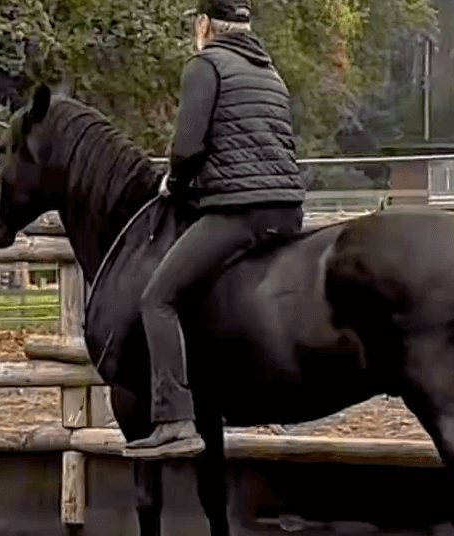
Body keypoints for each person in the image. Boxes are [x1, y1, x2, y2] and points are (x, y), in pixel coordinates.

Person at [123, 0, 306, 459]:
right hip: (287, 209)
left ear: (204, 24)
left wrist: (173, 184)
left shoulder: (205, 66)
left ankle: (174, 419)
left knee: (157, 299)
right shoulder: (270, 72)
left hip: (240, 212)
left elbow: (187, 148)